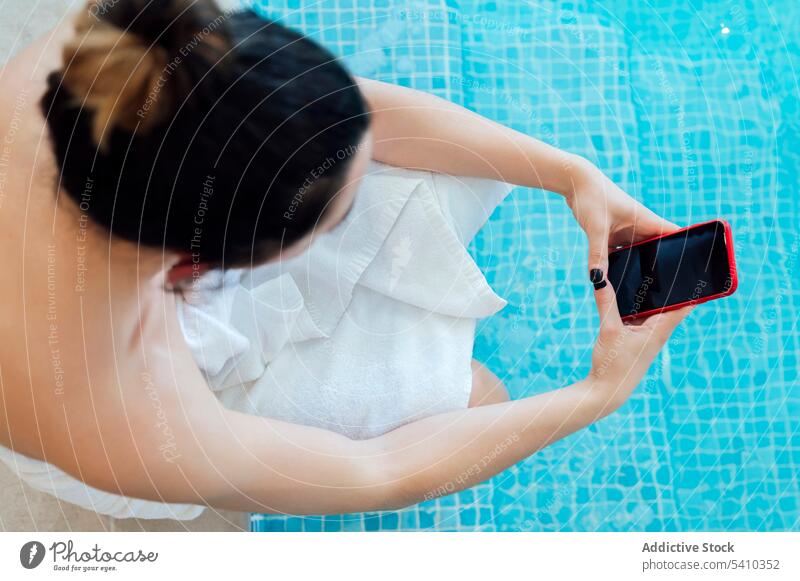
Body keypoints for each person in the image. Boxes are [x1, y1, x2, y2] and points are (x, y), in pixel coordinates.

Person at [0, 0, 690, 518]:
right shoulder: (114, 414)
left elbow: (369, 119)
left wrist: (572, 175)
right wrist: (595, 396)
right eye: (336, 212)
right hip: (159, 361)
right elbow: (375, 469)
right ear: (196, 270)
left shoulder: (137, 42)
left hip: (154, 251)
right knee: (483, 398)